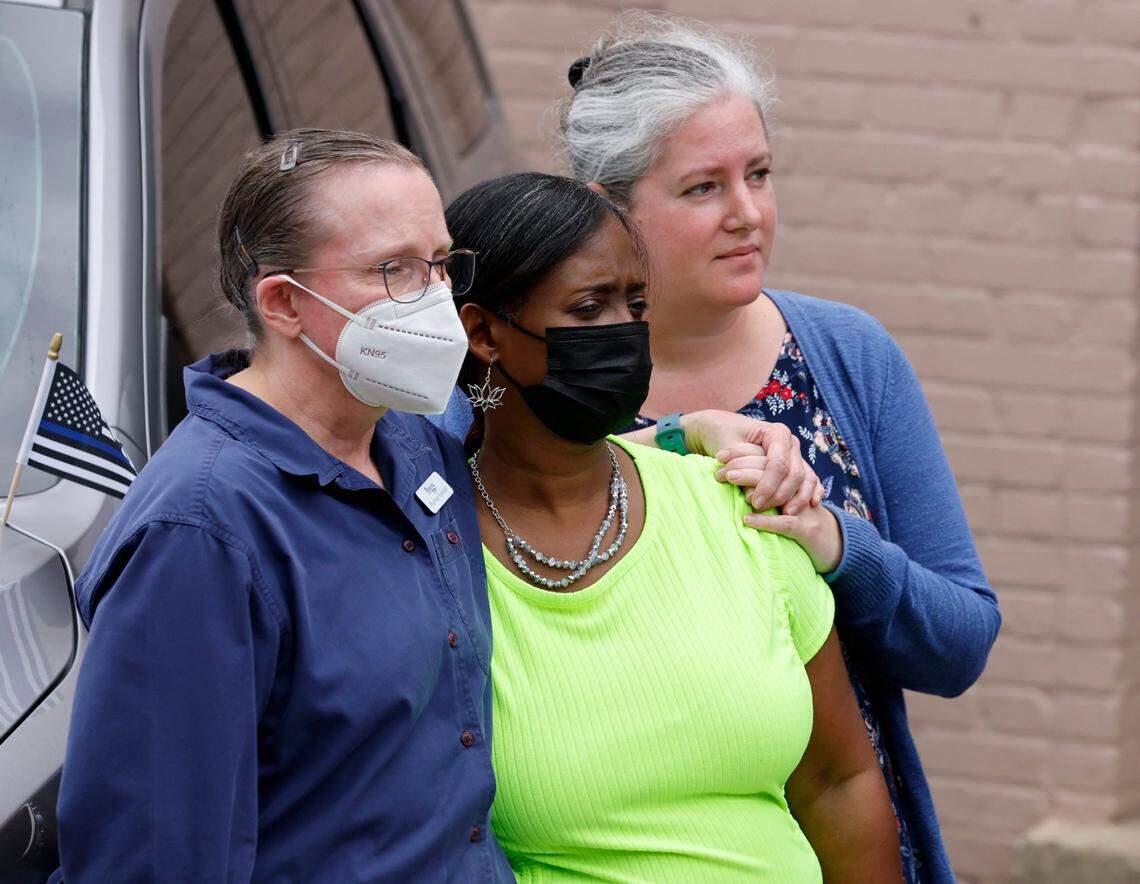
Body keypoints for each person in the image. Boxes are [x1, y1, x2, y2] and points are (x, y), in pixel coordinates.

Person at [555, 12, 1002, 881]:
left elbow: (960, 644)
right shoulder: (531, 377)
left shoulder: (847, 354)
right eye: (703, 189)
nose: (748, 213)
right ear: (608, 208)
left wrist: (838, 544)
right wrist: (673, 444)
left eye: (758, 174)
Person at [50, 130, 517, 882]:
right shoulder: (201, 530)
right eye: (392, 270)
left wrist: (685, 432)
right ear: (285, 304)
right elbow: (154, 855)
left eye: (440, 263)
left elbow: (545, 449)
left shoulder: (410, 436)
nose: (434, 300)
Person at [446, 171, 903, 882]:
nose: (624, 334)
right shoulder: (433, 557)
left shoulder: (732, 502)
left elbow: (837, 781)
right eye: (589, 308)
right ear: (484, 333)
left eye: (635, 304)